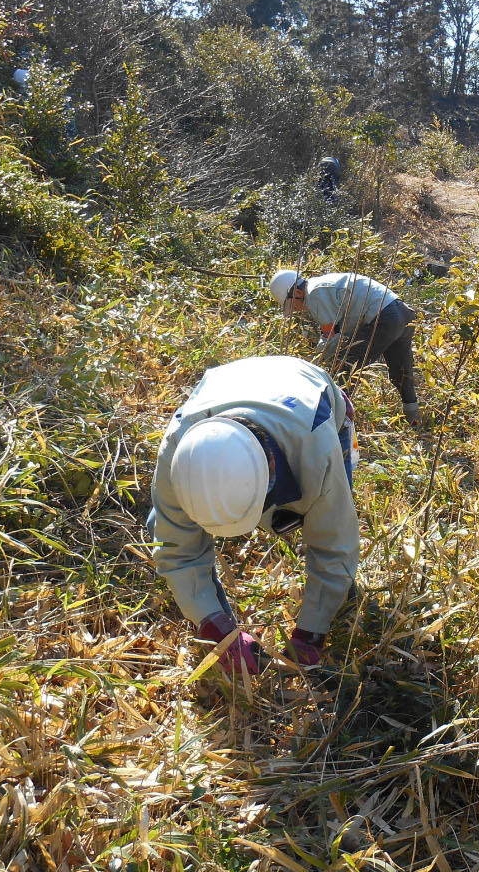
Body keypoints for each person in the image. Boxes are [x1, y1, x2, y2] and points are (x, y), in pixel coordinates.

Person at [146, 356, 360, 679]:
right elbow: (176, 550)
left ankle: (337, 597)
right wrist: (216, 629)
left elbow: (335, 544)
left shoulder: (317, 445)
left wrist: (310, 634)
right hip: (230, 386)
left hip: (311, 397)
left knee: (331, 518)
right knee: (159, 525)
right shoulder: (178, 454)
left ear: (272, 468)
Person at [268, 269, 422, 427]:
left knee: (346, 367)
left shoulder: (314, 295)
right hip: (402, 313)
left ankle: (336, 423)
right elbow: (335, 331)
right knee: (402, 372)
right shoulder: (321, 287)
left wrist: (313, 369)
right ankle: (415, 420)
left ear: (298, 293)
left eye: (291, 305)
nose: (294, 310)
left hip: (384, 317)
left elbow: (331, 340)